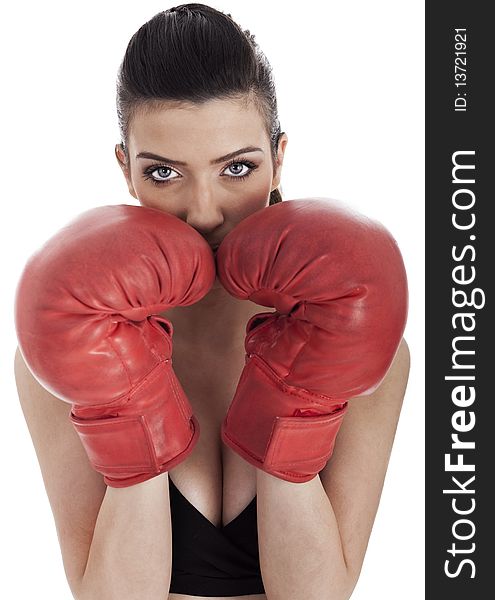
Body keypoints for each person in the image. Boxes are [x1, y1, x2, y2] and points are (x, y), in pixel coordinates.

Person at [13, 4, 410, 600]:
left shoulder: (363, 337)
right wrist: (128, 405)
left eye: (237, 168)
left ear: (279, 156)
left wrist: (298, 404)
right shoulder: (65, 344)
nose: (203, 211)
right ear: (126, 168)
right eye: (165, 173)